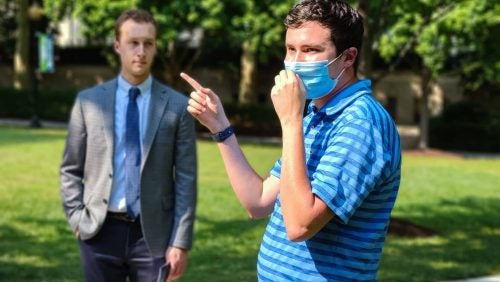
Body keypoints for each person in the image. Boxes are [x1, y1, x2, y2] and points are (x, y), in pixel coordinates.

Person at [181, 0, 401, 281]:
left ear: (348, 57)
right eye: (290, 49)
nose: (295, 63)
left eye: (311, 50)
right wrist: (220, 127)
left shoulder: (361, 122)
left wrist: (290, 120)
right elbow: (258, 201)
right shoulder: (315, 115)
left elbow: (299, 224)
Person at [60, 8, 197, 282]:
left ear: (156, 47)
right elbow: (70, 169)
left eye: (148, 43)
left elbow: (185, 178)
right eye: (133, 42)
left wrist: (180, 241)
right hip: (99, 230)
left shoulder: (176, 106)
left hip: (153, 236)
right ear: (117, 45)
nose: (141, 51)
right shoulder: (89, 102)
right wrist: (77, 219)